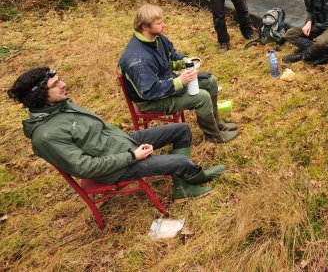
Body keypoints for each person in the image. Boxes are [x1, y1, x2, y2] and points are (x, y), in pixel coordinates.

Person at [8, 67, 225, 199]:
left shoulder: (59, 105)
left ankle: (182, 185)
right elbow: (84, 167)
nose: (64, 84)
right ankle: (189, 178)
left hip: (120, 142)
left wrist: (129, 145)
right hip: (115, 167)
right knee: (180, 161)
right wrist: (132, 156)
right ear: (39, 96)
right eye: (56, 84)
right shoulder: (46, 136)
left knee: (182, 130)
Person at [119, 4, 238, 143]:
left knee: (210, 81)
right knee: (202, 97)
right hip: (151, 101)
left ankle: (217, 124)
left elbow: (171, 57)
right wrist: (180, 81)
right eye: (159, 23)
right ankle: (215, 137)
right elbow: (150, 92)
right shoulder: (138, 60)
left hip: (167, 83)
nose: (164, 25)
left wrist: (186, 61)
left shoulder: (157, 39)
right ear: (145, 27)